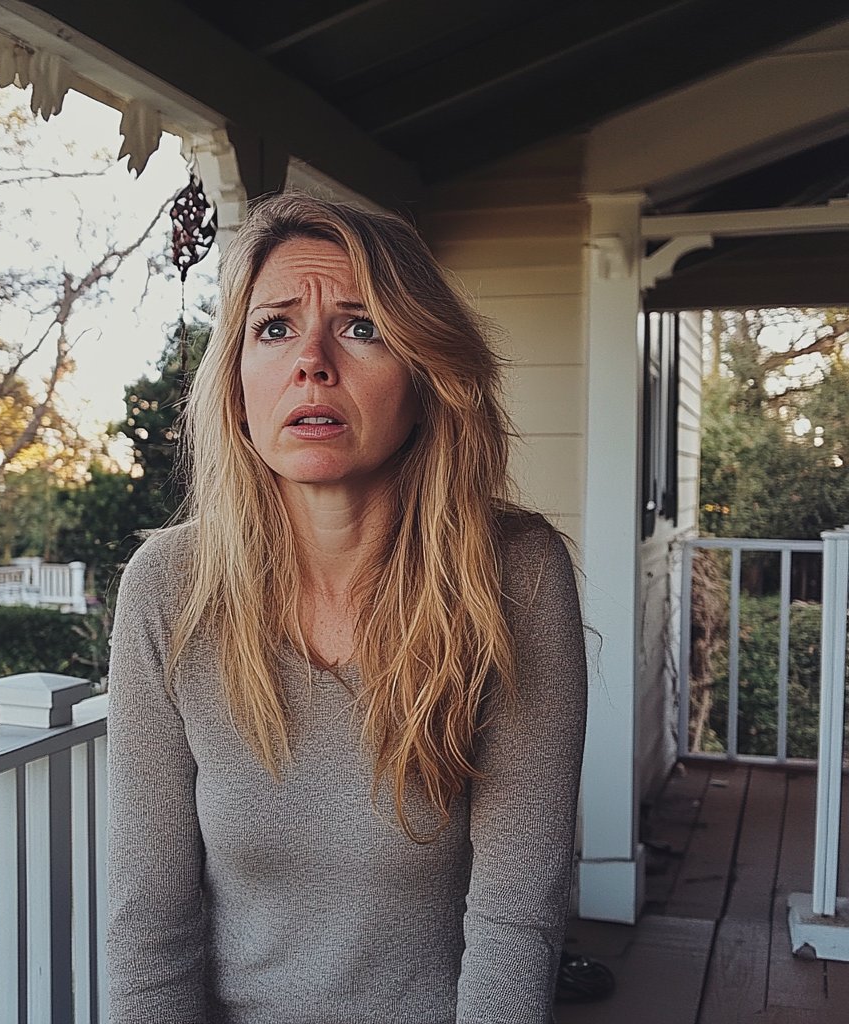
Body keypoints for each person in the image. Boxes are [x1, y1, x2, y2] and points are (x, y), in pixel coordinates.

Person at [106, 193, 588, 1024]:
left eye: (361, 327)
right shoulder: (168, 588)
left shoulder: (514, 578)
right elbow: (150, 927)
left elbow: (517, 917)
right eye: (275, 327)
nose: (313, 362)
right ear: (237, 382)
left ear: (426, 373)